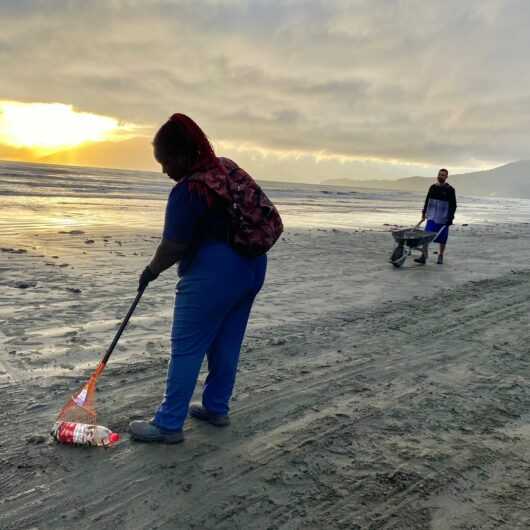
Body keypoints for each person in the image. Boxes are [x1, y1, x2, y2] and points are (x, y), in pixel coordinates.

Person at [129, 114, 276, 444]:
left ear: (183, 155)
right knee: (227, 341)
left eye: (166, 162)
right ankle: (216, 408)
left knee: (187, 346)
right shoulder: (226, 168)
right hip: (253, 266)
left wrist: (150, 271)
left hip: (214, 272)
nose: (165, 170)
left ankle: (168, 425)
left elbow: (174, 246)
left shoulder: (189, 190)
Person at [415, 168, 457, 265]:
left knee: (442, 238)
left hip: (443, 217)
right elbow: (427, 200)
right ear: (437, 175)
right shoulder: (433, 187)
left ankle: (440, 255)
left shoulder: (450, 190)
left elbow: (453, 205)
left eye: (443, 175)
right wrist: (424, 212)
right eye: (440, 174)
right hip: (432, 216)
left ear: (446, 177)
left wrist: (450, 218)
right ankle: (424, 256)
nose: (441, 176)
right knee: (426, 236)